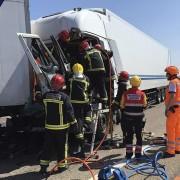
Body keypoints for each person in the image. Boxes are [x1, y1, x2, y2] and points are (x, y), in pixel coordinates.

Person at [39, 74, 77, 175]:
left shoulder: (45, 96)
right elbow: (70, 113)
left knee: (47, 147)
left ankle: (43, 167)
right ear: (61, 85)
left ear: (51, 84)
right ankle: (62, 166)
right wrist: (74, 124)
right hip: (62, 128)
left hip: (49, 127)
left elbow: (41, 105)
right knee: (62, 147)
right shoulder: (64, 97)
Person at [67, 63, 91, 157]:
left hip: (73, 103)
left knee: (78, 122)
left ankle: (81, 130)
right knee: (88, 109)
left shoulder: (71, 77)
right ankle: (87, 123)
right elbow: (88, 88)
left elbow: (67, 86)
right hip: (84, 102)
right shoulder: (86, 78)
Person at [120, 75, 147, 159]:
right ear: (139, 83)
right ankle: (138, 154)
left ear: (130, 83)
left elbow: (122, 106)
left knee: (129, 136)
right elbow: (145, 105)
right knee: (139, 135)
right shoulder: (142, 94)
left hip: (128, 118)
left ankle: (129, 154)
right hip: (138, 119)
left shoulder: (125, 93)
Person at [80, 40, 108, 108]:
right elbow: (105, 59)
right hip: (102, 71)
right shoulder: (97, 51)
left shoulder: (86, 54)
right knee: (102, 87)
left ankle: (89, 99)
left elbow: (84, 65)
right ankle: (104, 103)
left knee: (90, 86)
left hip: (92, 72)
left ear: (83, 48)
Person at [164, 65, 180, 158]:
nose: (166, 75)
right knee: (178, 129)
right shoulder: (178, 81)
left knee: (170, 129)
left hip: (173, 109)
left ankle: (170, 151)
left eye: (167, 73)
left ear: (171, 74)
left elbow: (172, 96)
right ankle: (178, 148)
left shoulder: (172, 83)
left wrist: (167, 108)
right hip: (179, 109)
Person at [112, 71, 129, 145]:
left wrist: (114, 104)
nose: (118, 77)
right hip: (127, 106)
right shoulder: (126, 84)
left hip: (124, 107)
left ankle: (126, 141)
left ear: (123, 77)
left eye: (120, 76)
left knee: (124, 124)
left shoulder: (122, 84)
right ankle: (127, 139)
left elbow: (119, 96)